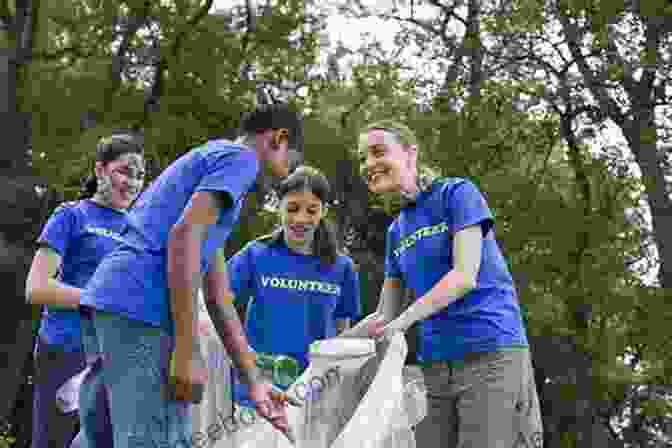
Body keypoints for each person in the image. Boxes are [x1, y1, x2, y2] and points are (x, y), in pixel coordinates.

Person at [77, 103, 304, 448]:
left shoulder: (207, 171)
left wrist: (254, 381)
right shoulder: (239, 160)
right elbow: (183, 238)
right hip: (143, 307)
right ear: (279, 138)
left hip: (109, 304)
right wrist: (186, 349)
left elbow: (217, 297)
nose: (286, 173)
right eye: (292, 162)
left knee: (104, 438)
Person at [344, 120, 544, 448]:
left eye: (378, 152)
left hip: (491, 353)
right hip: (435, 367)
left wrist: (403, 322)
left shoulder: (456, 194)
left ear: (410, 154)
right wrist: (328, 347)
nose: (368, 164)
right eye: (363, 158)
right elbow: (384, 316)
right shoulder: (397, 231)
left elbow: (464, 276)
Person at [25, 134, 145, 448]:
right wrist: (101, 299)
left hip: (116, 360)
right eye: (124, 170)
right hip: (65, 350)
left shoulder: (140, 230)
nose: (132, 182)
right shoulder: (73, 215)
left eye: (140, 175)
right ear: (100, 170)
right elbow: (36, 287)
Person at [227, 165, 361, 408]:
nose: (301, 218)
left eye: (311, 210)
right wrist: (243, 356)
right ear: (279, 206)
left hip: (316, 395)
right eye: (292, 208)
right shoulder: (255, 255)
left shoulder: (343, 268)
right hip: (259, 395)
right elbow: (216, 305)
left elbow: (341, 335)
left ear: (324, 211)